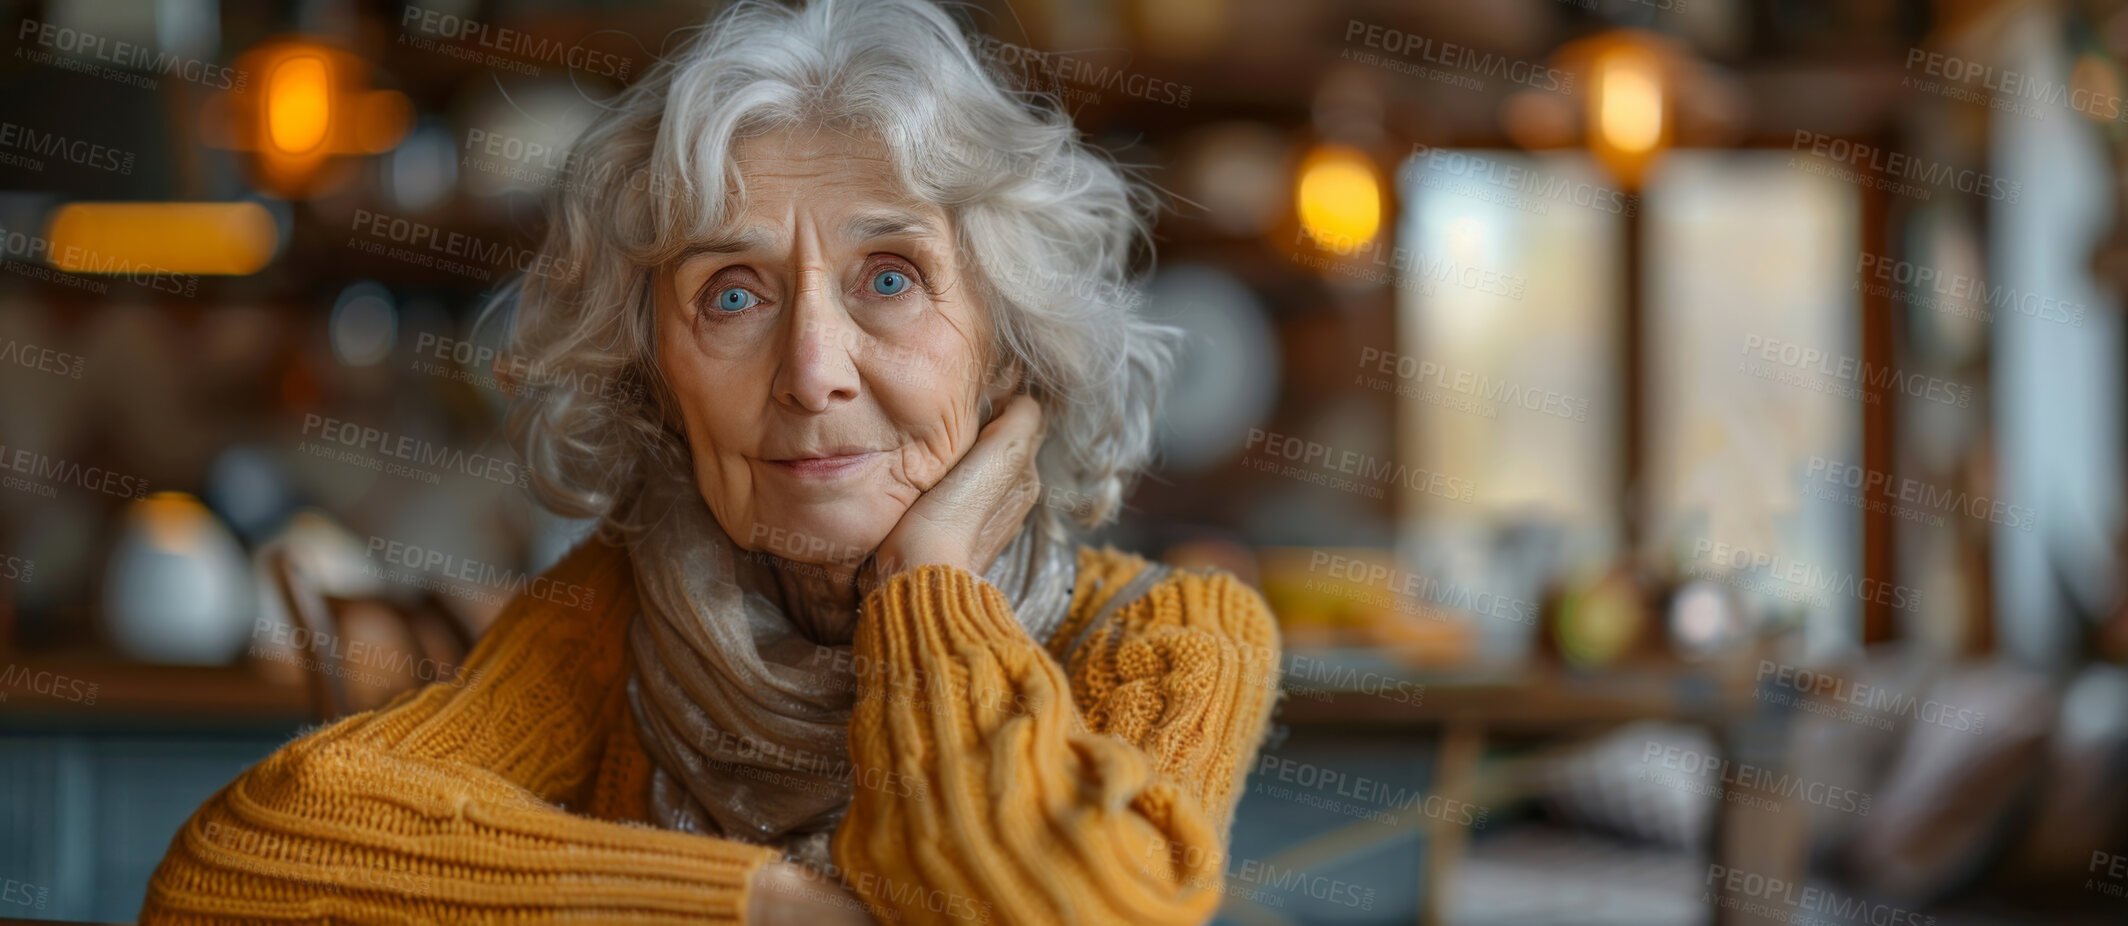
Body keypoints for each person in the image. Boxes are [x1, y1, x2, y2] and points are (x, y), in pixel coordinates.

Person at [142, 0, 1280, 922]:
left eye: (890, 276)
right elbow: (237, 868)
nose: (812, 369)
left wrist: (929, 589)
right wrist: (774, 905)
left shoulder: (1171, 632)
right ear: (654, 381)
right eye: (732, 295)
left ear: (1007, 355)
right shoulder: (611, 620)